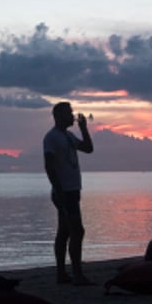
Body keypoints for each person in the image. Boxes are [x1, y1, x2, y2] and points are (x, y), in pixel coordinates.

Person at [43, 101, 94, 285]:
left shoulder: (68, 136)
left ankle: (62, 274)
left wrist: (84, 128)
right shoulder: (51, 137)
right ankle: (77, 275)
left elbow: (88, 148)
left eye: (71, 112)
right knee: (77, 231)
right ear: (58, 116)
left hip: (72, 190)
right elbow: (49, 166)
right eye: (68, 113)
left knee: (64, 232)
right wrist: (58, 191)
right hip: (64, 191)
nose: (72, 115)